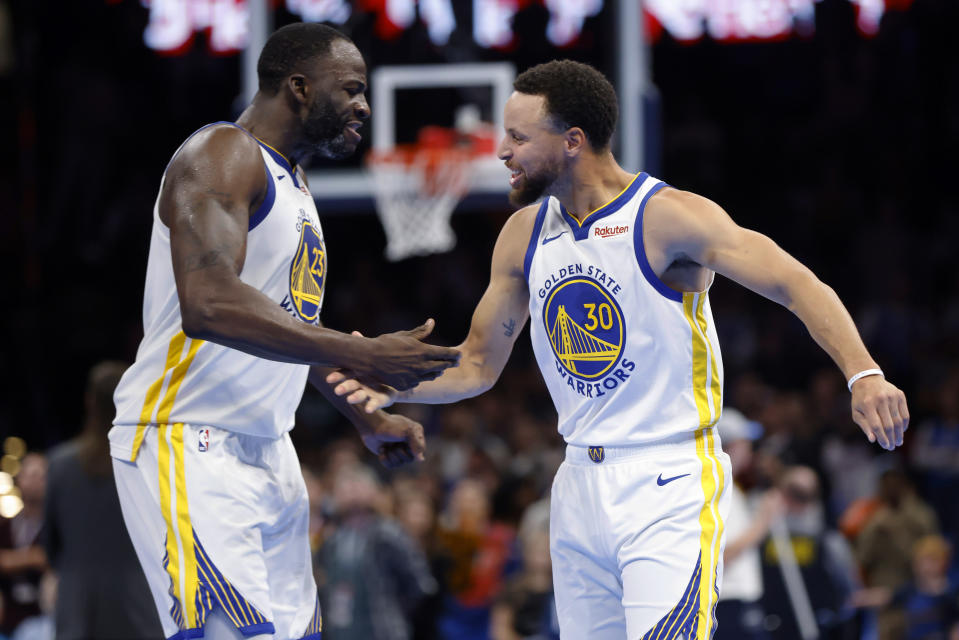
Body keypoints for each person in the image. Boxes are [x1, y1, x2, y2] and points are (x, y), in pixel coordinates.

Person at [329, 59, 909, 638]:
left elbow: (796, 283)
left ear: (573, 141)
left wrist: (864, 375)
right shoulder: (522, 236)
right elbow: (478, 364)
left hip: (670, 479)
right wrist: (394, 378)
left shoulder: (666, 217)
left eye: (518, 137)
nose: (501, 152)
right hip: (578, 482)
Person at [109, 22, 460, 640]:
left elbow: (287, 328)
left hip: (269, 447)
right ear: (299, 87)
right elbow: (209, 302)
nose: (365, 106)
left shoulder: (294, 185)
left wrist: (363, 415)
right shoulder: (221, 153)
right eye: (350, 89)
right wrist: (363, 351)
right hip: (186, 438)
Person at [44, 361, 162, 639]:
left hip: (78, 610)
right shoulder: (148, 462)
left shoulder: (60, 464)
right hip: (139, 608)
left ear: (89, 401)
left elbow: (51, 546)